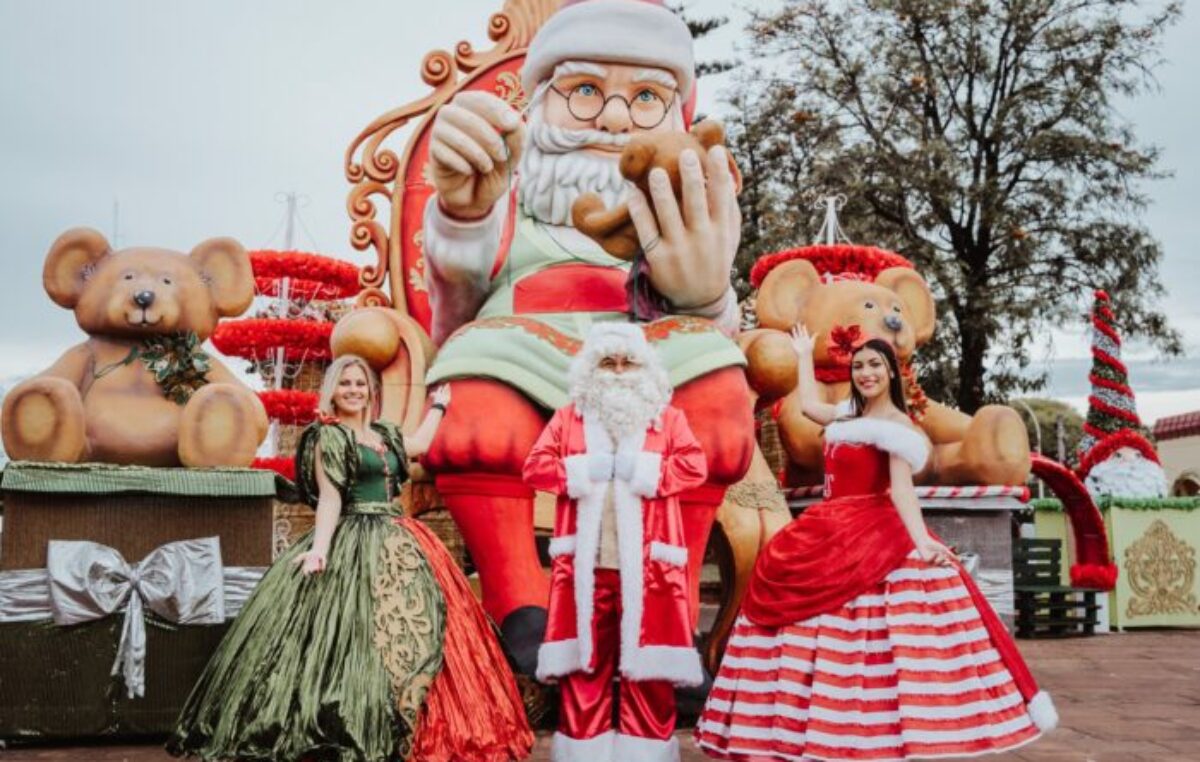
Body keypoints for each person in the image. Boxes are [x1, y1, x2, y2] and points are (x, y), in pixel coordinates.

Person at [417, 0, 754, 671]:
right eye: (587, 91)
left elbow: (717, 324)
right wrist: (462, 212)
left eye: (647, 97)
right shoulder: (508, 192)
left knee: (716, 393)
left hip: (647, 345)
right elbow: (456, 310)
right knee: (478, 406)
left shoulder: (684, 211)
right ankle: (526, 610)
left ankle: (669, 621)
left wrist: (707, 291)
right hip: (520, 340)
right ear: (542, 101)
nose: (615, 117)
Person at [695, 326, 1058, 761]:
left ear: (892, 372)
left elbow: (902, 491)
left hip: (872, 528)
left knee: (872, 632)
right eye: (859, 366)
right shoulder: (848, 412)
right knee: (794, 603)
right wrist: (804, 357)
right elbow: (810, 407)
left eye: (874, 365)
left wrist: (920, 541)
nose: (866, 373)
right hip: (829, 523)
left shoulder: (897, 426)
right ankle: (796, 724)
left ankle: (874, 727)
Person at [169, 355, 533, 762]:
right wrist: (320, 550)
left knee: (425, 626)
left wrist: (440, 407)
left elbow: (420, 445)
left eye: (360, 384)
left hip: (401, 537)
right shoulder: (330, 437)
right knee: (353, 637)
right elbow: (330, 498)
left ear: (371, 391)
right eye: (346, 384)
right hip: (353, 534)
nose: (354, 390)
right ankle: (356, 721)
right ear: (333, 392)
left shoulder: (385, 434)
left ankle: (422, 723)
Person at [523, 323, 708, 762]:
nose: (620, 371)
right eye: (609, 362)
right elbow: (535, 466)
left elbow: (694, 465)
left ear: (646, 368)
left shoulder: (668, 419)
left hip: (650, 566)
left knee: (649, 667)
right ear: (593, 368)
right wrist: (582, 469)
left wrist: (643, 470)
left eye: (629, 362)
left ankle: (645, 754)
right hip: (586, 567)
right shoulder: (569, 418)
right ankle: (584, 752)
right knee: (585, 665)